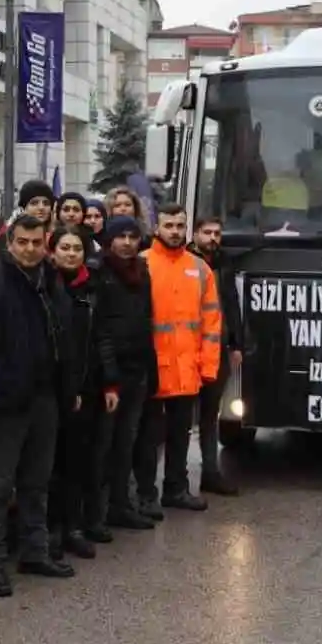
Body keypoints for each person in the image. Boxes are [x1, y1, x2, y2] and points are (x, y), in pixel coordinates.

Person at [0, 214, 76, 598]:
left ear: (46, 243)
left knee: (36, 482)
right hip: (5, 401)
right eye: (22, 242)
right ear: (10, 243)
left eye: (36, 242)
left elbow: (63, 337)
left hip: (45, 398)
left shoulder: (50, 280)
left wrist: (68, 387)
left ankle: (34, 551)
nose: (29, 249)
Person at [138, 203, 221, 513]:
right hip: (151, 369)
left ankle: (176, 489)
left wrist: (208, 367)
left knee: (180, 437)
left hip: (186, 371)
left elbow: (212, 322)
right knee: (147, 439)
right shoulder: (141, 263)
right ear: (157, 227)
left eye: (179, 225)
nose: (174, 231)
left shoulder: (200, 269)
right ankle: (146, 495)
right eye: (168, 225)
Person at [46, 225, 118, 559]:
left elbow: (103, 336)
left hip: (85, 388)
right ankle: (49, 531)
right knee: (47, 465)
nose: (71, 253)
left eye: (77, 248)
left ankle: (72, 527)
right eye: (65, 247)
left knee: (78, 461)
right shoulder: (43, 285)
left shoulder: (93, 289)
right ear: (53, 251)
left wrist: (110, 382)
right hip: (48, 389)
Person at [97, 214, 160, 529]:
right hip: (112, 376)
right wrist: (109, 376)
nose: (126, 242)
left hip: (138, 371)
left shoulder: (142, 272)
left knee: (126, 443)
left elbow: (146, 322)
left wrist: (151, 370)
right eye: (120, 236)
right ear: (110, 240)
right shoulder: (100, 271)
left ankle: (120, 505)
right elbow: (101, 330)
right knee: (104, 446)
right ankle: (96, 512)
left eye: (132, 236)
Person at [189, 215, 244, 496]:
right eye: (207, 232)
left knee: (210, 415)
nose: (213, 238)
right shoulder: (184, 261)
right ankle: (173, 479)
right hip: (185, 351)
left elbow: (231, 305)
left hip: (217, 350)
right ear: (195, 234)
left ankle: (210, 473)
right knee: (179, 418)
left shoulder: (224, 263)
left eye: (217, 233)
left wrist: (236, 344)